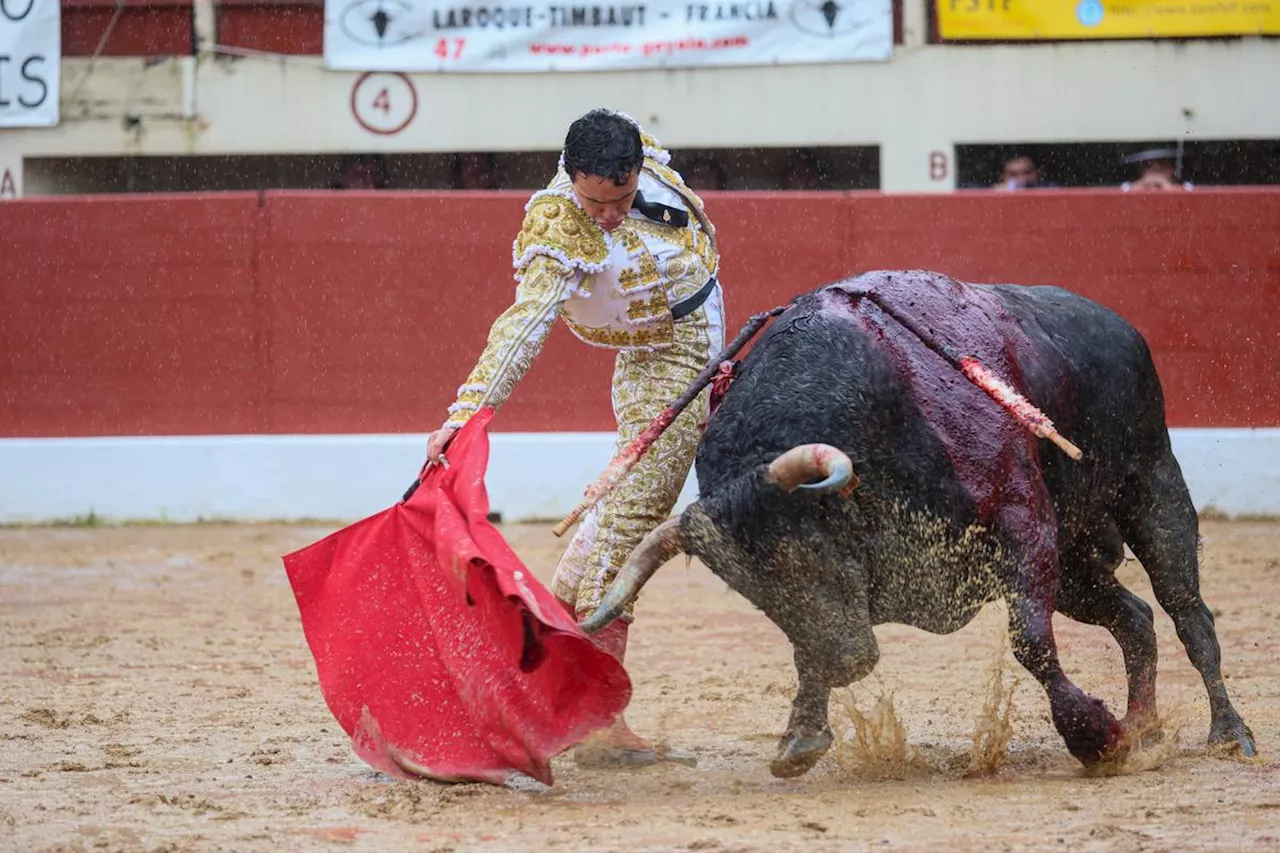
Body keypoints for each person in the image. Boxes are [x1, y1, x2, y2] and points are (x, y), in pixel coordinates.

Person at [424, 108, 725, 768]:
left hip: (683, 347)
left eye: (621, 200)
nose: (610, 215)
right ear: (572, 180)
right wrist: (468, 409)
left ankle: (546, 685)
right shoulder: (560, 223)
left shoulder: (633, 150)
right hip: (656, 358)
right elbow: (524, 326)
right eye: (597, 203)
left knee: (615, 522)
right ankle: (592, 713)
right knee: (627, 524)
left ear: (636, 170)